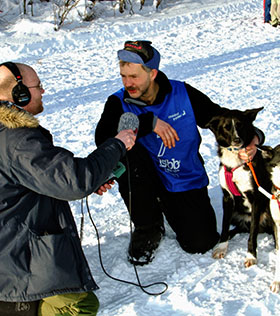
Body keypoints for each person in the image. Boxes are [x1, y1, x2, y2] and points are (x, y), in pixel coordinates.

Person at [0, 61, 136, 316]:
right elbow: (74, 180)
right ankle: (6, 303)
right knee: (80, 306)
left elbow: (43, 178)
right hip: (6, 257)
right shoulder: (16, 140)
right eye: (37, 86)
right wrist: (116, 144)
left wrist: (90, 180)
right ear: (20, 93)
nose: (42, 91)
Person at [95, 40, 262, 265]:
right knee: (125, 150)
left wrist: (254, 138)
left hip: (183, 177)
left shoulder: (182, 93)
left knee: (200, 243)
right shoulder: (117, 101)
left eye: (134, 76)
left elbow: (220, 118)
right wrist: (149, 123)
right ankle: (148, 226)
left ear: (152, 73)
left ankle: (171, 207)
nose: (127, 83)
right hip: (145, 178)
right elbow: (102, 138)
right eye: (123, 76)